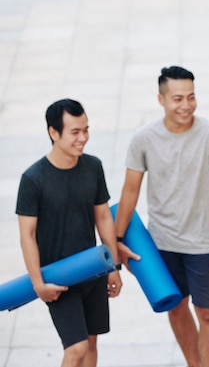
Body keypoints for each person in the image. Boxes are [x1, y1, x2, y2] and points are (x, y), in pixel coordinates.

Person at [114, 66, 209, 367]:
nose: (186, 105)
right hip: (163, 242)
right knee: (176, 307)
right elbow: (129, 192)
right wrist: (114, 240)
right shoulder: (144, 138)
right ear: (161, 99)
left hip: (204, 243)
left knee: (208, 313)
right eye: (177, 98)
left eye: (191, 97)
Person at [16, 99, 122, 367]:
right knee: (76, 348)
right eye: (75, 132)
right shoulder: (33, 179)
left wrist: (114, 266)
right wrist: (38, 283)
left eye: (86, 130)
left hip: (93, 270)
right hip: (58, 279)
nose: (83, 138)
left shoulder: (93, 167)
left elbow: (102, 217)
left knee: (91, 343)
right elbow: (27, 235)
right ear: (54, 132)